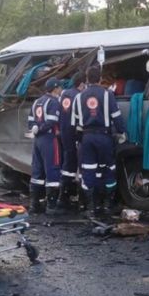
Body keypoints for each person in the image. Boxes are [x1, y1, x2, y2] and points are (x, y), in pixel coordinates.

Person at [71, 66, 126, 221]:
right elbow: (116, 116)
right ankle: (107, 205)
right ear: (100, 77)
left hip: (87, 138)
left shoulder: (78, 97)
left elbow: (75, 123)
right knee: (109, 169)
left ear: (87, 78)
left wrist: (79, 139)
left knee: (88, 171)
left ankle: (91, 207)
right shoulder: (108, 94)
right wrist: (122, 132)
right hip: (104, 137)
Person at [27, 78, 64, 215]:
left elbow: (30, 121)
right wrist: (42, 128)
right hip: (49, 139)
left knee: (37, 171)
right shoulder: (53, 102)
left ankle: (34, 205)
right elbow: (52, 121)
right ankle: (51, 207)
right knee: (52, 170)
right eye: (60, 87)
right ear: (55, 88)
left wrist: (35, 128)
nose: (61, 90)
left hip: (37, 140)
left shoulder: (37, 102)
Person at [57, 71, 86, 211]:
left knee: (67, 163)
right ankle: (80, 199)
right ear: (81, 84)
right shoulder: (80, 96)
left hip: (63, 132)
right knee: (79, 165)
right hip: (75, 133)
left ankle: (64, 195)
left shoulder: (63, 94)